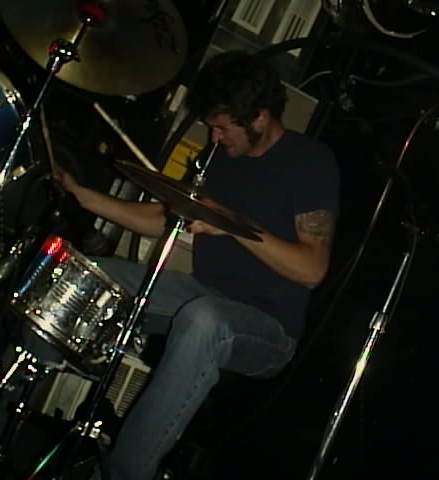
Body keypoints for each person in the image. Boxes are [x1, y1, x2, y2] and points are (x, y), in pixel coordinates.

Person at [52, 50, 340, 480]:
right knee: (86, 274)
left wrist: (232, 224)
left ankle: (123, 475)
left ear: (259, 117)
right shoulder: (218, 158)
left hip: (267, 327)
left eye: (222, 127)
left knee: (204, 321)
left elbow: (312, 269)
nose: (213, 136)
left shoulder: (310, 161)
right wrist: (83, 197)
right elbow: (163, 218)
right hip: (200, 294)